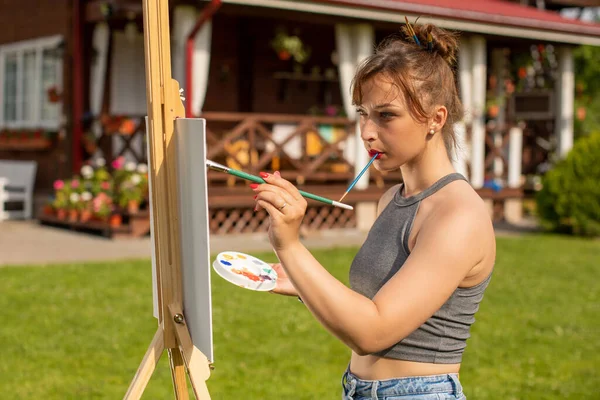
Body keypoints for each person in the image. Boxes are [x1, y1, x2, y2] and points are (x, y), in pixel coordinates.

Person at [250, 23, 495, 400]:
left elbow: (372, 332)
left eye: (386, 116)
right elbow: (373, 307)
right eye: (363, 113)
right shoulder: (392, 199)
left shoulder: (456, 215)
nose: (366, 131)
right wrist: (302, 280)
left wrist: (290, 245)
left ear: (436, 119)